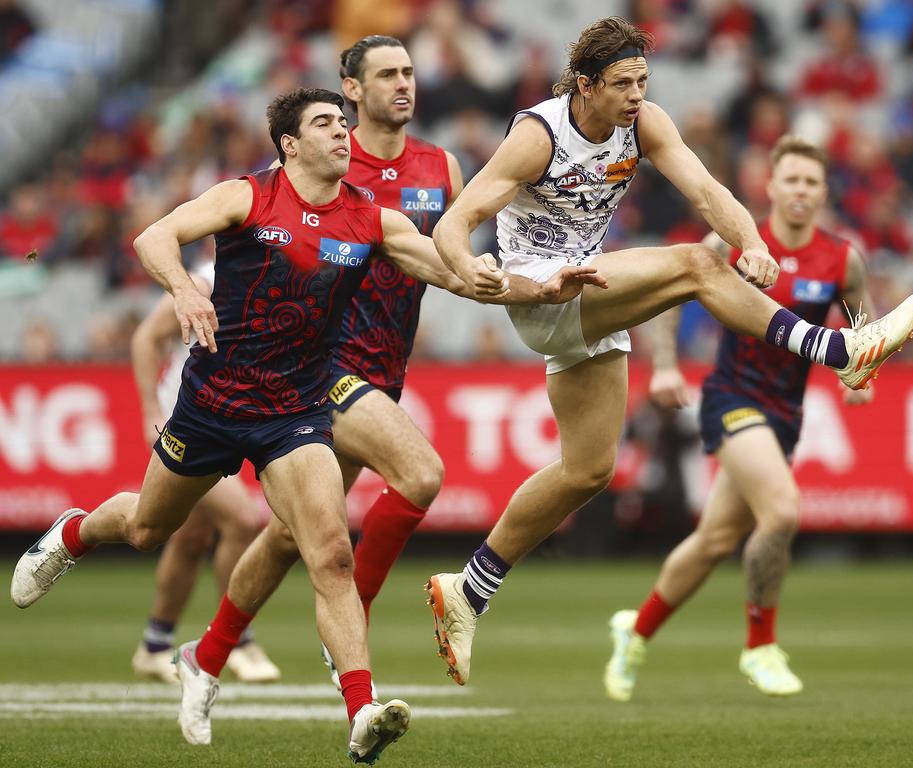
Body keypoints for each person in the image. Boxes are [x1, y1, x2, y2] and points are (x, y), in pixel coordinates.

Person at [10, 87, 599, 762]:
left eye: (344, 125)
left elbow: (459, 276)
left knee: (330, 552)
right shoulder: (247, 197)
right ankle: (72, 535)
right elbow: (154, 237)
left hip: (296, 412)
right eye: (326, 124)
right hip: (213, 405)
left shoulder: (372, 222)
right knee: (147, 527)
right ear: (290, 144)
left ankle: (361, 708)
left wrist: (540, 286)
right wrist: (180, 288)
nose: (344, 134)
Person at [424, 16, 913, 687]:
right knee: (693, 264)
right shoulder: (537, 136)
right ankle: (837, 349)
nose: (636, 94)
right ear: (586, 84)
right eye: (623, 83)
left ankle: (470, 590)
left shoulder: (645, 122)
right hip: (541, 292)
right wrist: (478, 271)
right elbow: (457, 225)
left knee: (587, 471)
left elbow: (709, 192)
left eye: (643, 81)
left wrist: (752, 241)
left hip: (594, 291)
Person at [181, 35, 468, 699]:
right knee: (421, 474)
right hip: (326, 367)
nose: (403, 84)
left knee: (289, 535)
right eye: (386, 75)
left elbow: (455, 258)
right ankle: (352, 630)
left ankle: (209, 654)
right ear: (351, 88)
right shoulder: (322, 162)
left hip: (386, 367)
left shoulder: (442, 167)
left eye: (409, 72)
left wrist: (526, 286)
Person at [604, 134, 885, 701]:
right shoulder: (736, 240)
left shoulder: (842, 258)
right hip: (731, 397)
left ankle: (635, 631)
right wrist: (664, 366)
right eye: (792, 180)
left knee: (713, 542)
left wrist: (862, 376)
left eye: (811, 182)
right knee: (781, 512)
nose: (801, 191)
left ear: (823, 190)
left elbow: (863, 324)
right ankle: (760, 645)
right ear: (772, 185)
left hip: (785, 414)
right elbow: (670, 290)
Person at [128, 259, 280, 684]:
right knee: (242, 520)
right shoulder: (205, 280)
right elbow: (145, 338)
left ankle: (155, 644)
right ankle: (240, 640)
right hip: (183, 426)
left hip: (218, 426)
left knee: (191, 537)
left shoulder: (269, 278)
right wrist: (149, 410)